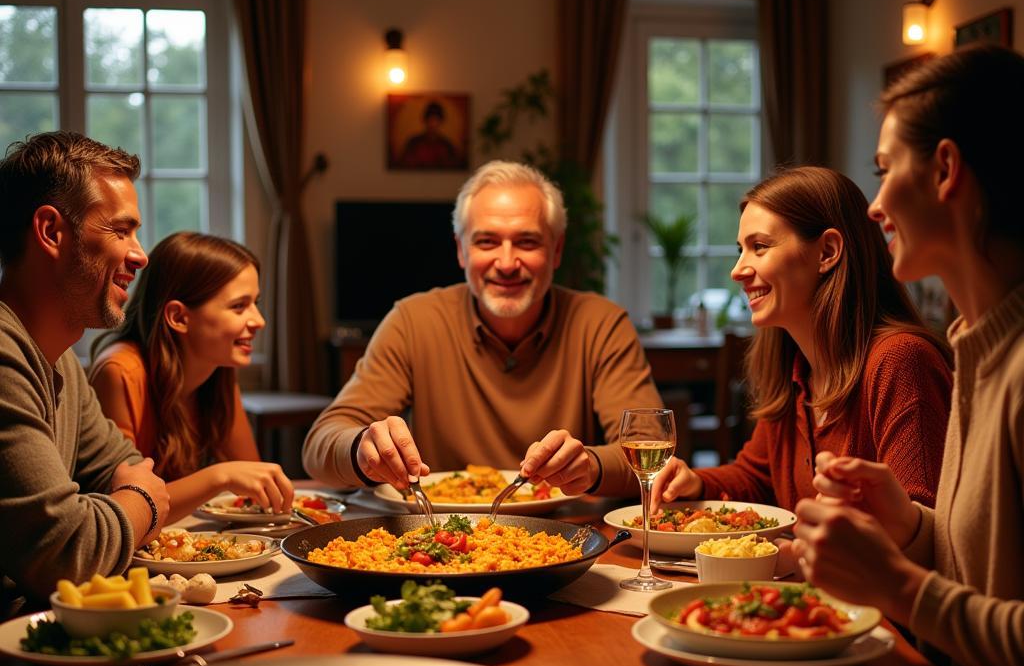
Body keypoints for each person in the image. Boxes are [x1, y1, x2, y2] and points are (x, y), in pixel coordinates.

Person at [794, 46, 1024, 666]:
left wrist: (897, 583)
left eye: (887, 170)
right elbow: (987, 575)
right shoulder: (976, 345)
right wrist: (912, 529)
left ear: (947, 170)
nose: (876, 205)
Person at [303, 160, 664, 497]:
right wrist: (362, 448)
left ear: (556, 251)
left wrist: (591, 466)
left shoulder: (601, 324)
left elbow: (650, 450)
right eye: (486, 241)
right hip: (440, 538)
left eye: (527, 241)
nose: (506, 263)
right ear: (461, 250)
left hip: (568, 533)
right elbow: (320, 444)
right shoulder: (414, 320)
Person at [651, 166, 952, 526]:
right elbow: (756, 477)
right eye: (740, 250)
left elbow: (922, 530)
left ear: (827, 251)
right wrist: (697, 481)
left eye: (759, 247)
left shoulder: (901, 361)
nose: (737, 270)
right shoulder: (796, 369)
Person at [0, 131, 170, 602]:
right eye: (120, 230)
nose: (140, 255)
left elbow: (133, 468)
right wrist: (140, 503)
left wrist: (123, 502)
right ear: (52, 232)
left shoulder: (62, 363)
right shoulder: (3, 354)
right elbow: (66, 554)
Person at [89, 232, 294, 524]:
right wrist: (220, 477)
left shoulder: (218, 367)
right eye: (239, 306)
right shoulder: (120, 371)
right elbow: (121, 506)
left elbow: (254, 476)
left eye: (256, 303)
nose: (259, 320)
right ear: (179, 317)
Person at [398, 100, 461, 169]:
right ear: (425, 120)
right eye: (430, 120)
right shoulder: (414, 143)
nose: (432, 124)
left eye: (436, 120)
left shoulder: (447, 145)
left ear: (440, 122)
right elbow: (405, 164)